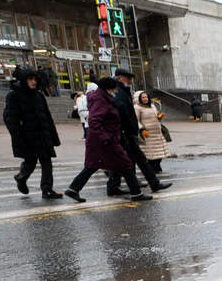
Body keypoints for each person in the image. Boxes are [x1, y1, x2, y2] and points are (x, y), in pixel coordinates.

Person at [64, 77, 151, 203]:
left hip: (101, 140)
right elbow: (94, 121)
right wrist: (105, 139)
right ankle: (136, 193)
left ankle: (73, 189)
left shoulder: (102, 98)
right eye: (114, 88)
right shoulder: (101, 100)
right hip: (105, 141)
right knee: (126, 164)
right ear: (108, 88)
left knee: (92, 165)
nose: (116, 91)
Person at [105, 68, 171, 196]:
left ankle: (113, 187)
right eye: (128, 78)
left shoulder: (123, 90)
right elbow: (123, 112)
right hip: (125, 132)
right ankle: (151, 184)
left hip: (126, 132)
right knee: (138, 159)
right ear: (119, 78)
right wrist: (132, 127)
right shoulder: (118, 92)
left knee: (123, 160)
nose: (130, 81)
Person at [3, 69, 63, 199]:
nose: (33, 82)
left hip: (42, 135)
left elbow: (47, 116)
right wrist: (17, 136)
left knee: (47, 162)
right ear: (24, 80)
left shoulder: (39, 95)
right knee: (30, 162)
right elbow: (10, 118)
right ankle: (21, 178)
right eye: (30, 79)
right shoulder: (14, 95)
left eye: (35, 80)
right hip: (27, 136)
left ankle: (47, 190)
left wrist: (53, 136)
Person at [134, 90, 171, 173]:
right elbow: (136, 120)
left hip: (157, 133)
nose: (145, 99)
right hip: (147, 133)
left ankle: (157, 166)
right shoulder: (137, 108)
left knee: (160, 153)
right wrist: (141, 129)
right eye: (143, 97)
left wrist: (159, 116)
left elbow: (155, 115)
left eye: (146, 97)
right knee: (150, 153)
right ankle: (152, 168)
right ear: (139, 98)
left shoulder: (152, 106)